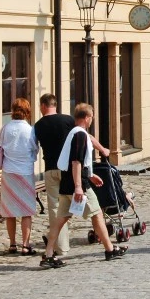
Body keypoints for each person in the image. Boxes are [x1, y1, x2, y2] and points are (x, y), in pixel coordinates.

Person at [41, 104, 127, 267]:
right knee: (97, 215)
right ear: (87, 118)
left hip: (66, 183)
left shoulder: (73, 133)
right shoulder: (80, 135)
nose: (91, 120)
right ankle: (110, 249)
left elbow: (75, 162)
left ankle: (48, 254)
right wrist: (79, 186)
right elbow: (75, 161)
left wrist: (91, 174)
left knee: (60, 220)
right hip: (77, 186)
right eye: (92, 117)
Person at [35, 94, 111, 256]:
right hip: (69, 172)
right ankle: (109, 249)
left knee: (57, 212)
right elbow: (83, 145)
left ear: (42, 106)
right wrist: (102, 149)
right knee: (93, 213)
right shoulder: (69, 122)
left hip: (50, 169)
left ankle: (57, 249)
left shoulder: (38, 125)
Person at [0, 98, 39, 255]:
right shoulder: (30, 130)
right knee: (26, 210)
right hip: (25, 172)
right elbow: (35, 148)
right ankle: (25, 245)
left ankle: (12, 244)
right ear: (27, 111)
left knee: (10, 211)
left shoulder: (5, 128)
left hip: (9, 172)